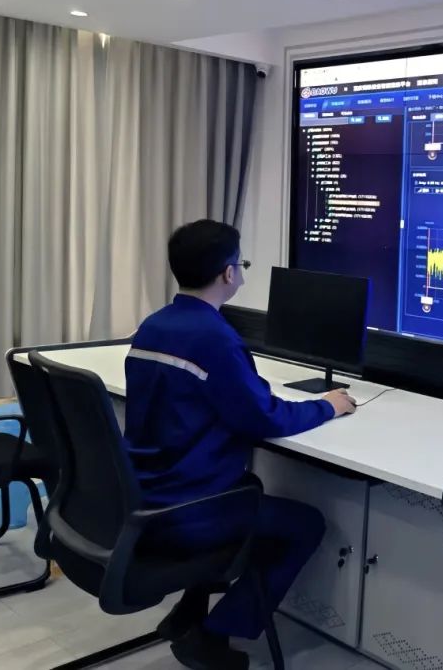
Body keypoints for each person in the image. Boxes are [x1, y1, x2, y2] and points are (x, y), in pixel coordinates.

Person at [123, 219, 356, 670]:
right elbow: (266, 418)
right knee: (305, 524)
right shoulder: (216, 340)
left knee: (254, 495)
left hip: (147, 493)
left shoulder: (153, 326)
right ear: (228, 273)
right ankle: (213, 632)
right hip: (190, 506)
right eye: (241, 264)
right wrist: (327, 406)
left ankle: (189, 613)